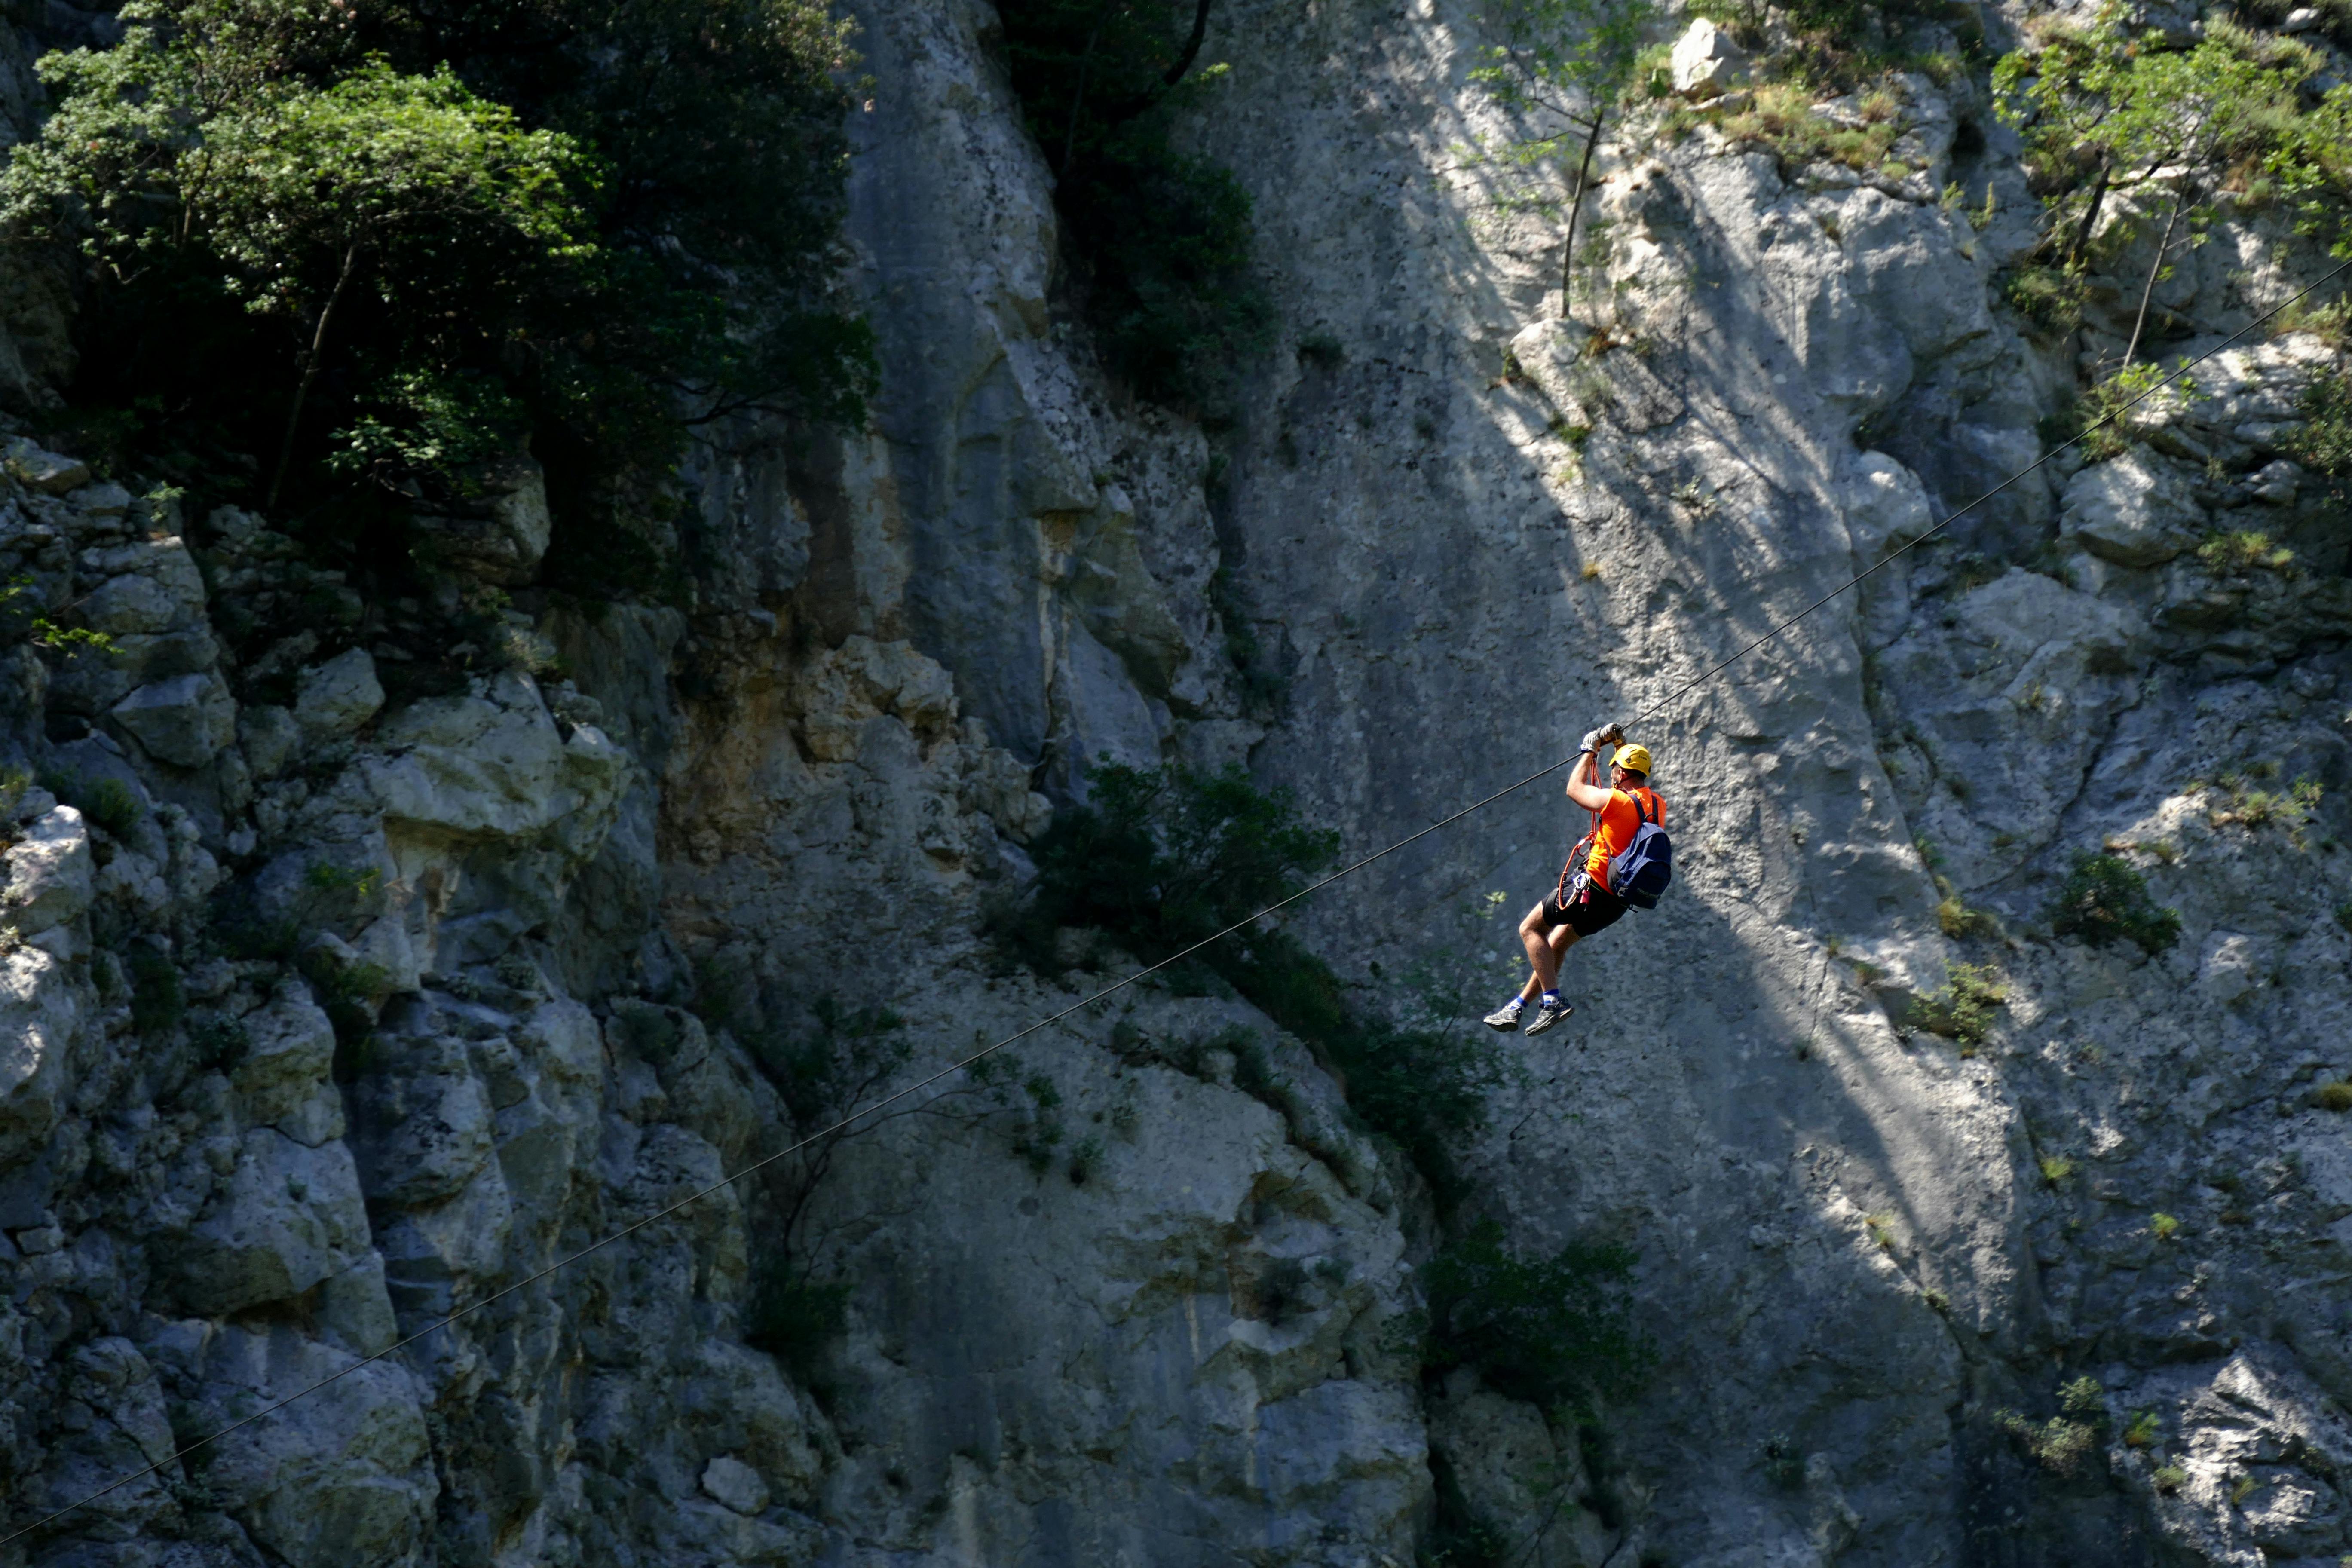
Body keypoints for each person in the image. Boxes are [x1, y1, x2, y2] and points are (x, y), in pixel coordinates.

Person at [1484, 724, 1666, 1035]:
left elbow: (1574, 789)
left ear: (1621, 773)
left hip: (1591, 889)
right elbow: (1629, 787)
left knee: (1530, 929)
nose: (1611, 775)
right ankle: (1517, 1007)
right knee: (1556, 943)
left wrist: (1589, 751)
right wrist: (1618, 746)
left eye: (1614, 770)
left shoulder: (1616, 801)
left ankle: (1552, 1002)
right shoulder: (1657, 805)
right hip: (1616, 903)